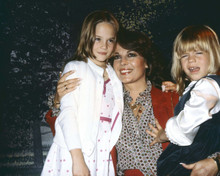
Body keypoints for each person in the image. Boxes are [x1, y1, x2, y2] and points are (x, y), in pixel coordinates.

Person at [46, 28, 179, 175]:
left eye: (131, 54)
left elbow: (202, 135)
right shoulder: (108, 102)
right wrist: (59, 102)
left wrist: (210, 161)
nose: (123, 62)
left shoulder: (171, 97)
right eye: (116, 57)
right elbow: (68, 132)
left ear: (146, 62)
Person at [41, 10, 124, 176]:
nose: (104, 46)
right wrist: (77, 159)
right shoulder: (76, 68)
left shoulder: (114, 74)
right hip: (75, 150)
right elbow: (68, 114)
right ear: (86, 37)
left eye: (110, 40)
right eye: (97, 38)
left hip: (102, 152)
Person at [147, 25, 220, 175]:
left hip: (194, 159)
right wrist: (180, 90)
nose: (191, 59)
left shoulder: (207, 87)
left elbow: (184, 127)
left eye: (198, 53)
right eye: (184, 55)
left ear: (213, 55)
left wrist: (164, 134)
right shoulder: (206, 86)